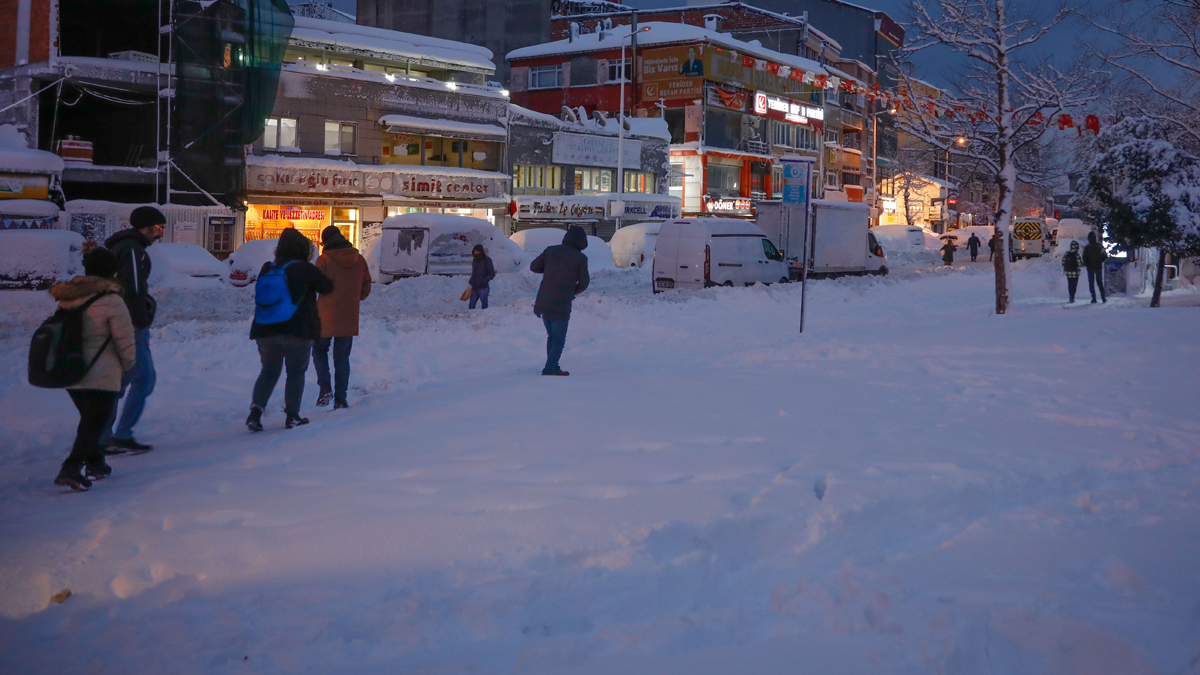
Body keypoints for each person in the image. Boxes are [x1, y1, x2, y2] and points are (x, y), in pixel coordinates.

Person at [49, 246, 137, 491]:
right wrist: (128, 365)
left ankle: (96, 464)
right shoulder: (111, 300)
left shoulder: (68, 297)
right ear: (111, 273)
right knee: (94, 422)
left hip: (71, 369)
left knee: (90, 419)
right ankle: (71, 468)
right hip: (102, 372)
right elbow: (125, 339)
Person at [247, 228, 333, 431]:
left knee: (268, 371)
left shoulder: (267, 268)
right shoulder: (303, 268)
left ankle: (255, 412)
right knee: (295, 373)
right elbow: (327, 287)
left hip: (265, 331)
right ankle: (292, 416)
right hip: (297, 331)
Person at [101, 206, 163, 454]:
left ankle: (104, 435)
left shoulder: (119, 247)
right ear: (146, 227)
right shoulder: (133, 250)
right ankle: (121, 434)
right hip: (129, 325)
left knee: (121, 380)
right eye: (158, 228)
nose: (159, 234)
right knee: (144, 379)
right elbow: (134, 290)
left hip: (116, 321)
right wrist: (141, 319)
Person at [312, 225, 371, 409]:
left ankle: (324, 388)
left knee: (319, 350)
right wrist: (353, 298)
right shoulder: (359, 259)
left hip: (325, 315)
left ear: (326, 242)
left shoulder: (324, 260)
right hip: (348, 315)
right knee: (342, 358)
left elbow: (314, 285)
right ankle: (340, 398)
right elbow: (366, 286)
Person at [530, 226, 590, 376]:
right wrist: (572, 292)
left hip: (544, 300)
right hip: (561, 302)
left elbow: (534, 267)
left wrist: (550, 269)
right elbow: (584, 283)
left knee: (551, 336)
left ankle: (552, 365)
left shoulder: (550, 251)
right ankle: (550, 368)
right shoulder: (580, 258)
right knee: (558, 339)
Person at [1082, 231, 1107, 303]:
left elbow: (1084, 258)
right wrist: (1100, 261)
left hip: (1090, 267)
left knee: (1091, 283)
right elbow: (1105, 255)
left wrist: (1087, 264)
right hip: (1098, 266)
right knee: (1100, 282)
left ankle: (1094, 298)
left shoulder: (1087, 247)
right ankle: (1103, 297)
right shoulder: (1099, 246)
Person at [468, 244, 495, 310]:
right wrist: (471, 282)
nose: (475, 253)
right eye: (474, 252)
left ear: (481, 252)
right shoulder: (474, 260)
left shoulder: (487, 260)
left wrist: (484, 281)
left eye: (477, 252)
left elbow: (492, 274)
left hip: (483, 288)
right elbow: (474, 273)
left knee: (484, 308)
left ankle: (484, 319)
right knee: (471, 307)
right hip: (474, 288)